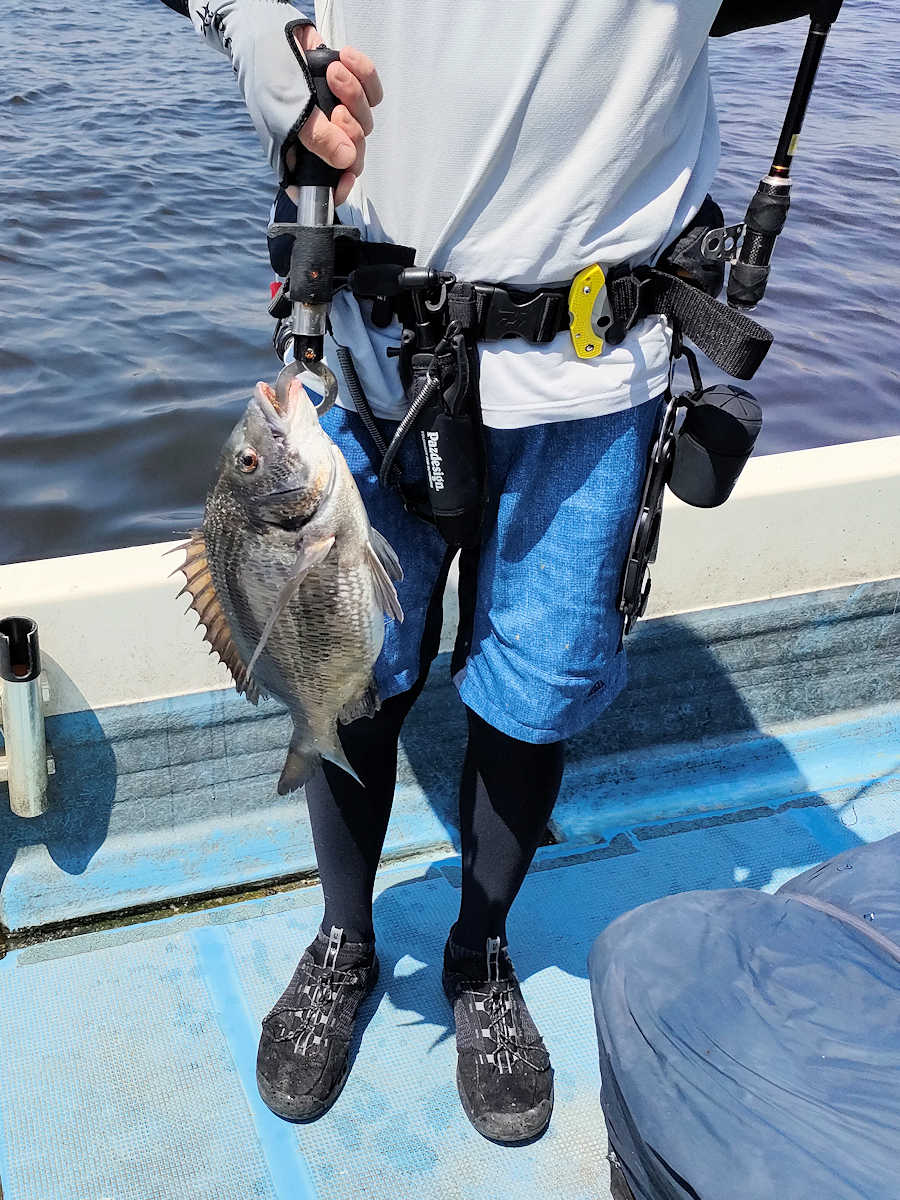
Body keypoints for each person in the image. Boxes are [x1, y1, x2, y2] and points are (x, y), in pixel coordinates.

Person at [160, 0, 818, 1144]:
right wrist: (266, 36)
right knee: (350, 678)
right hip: (370, 344)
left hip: (601, 369)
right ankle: (346, 938)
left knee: (537, 688)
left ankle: (480, 951)